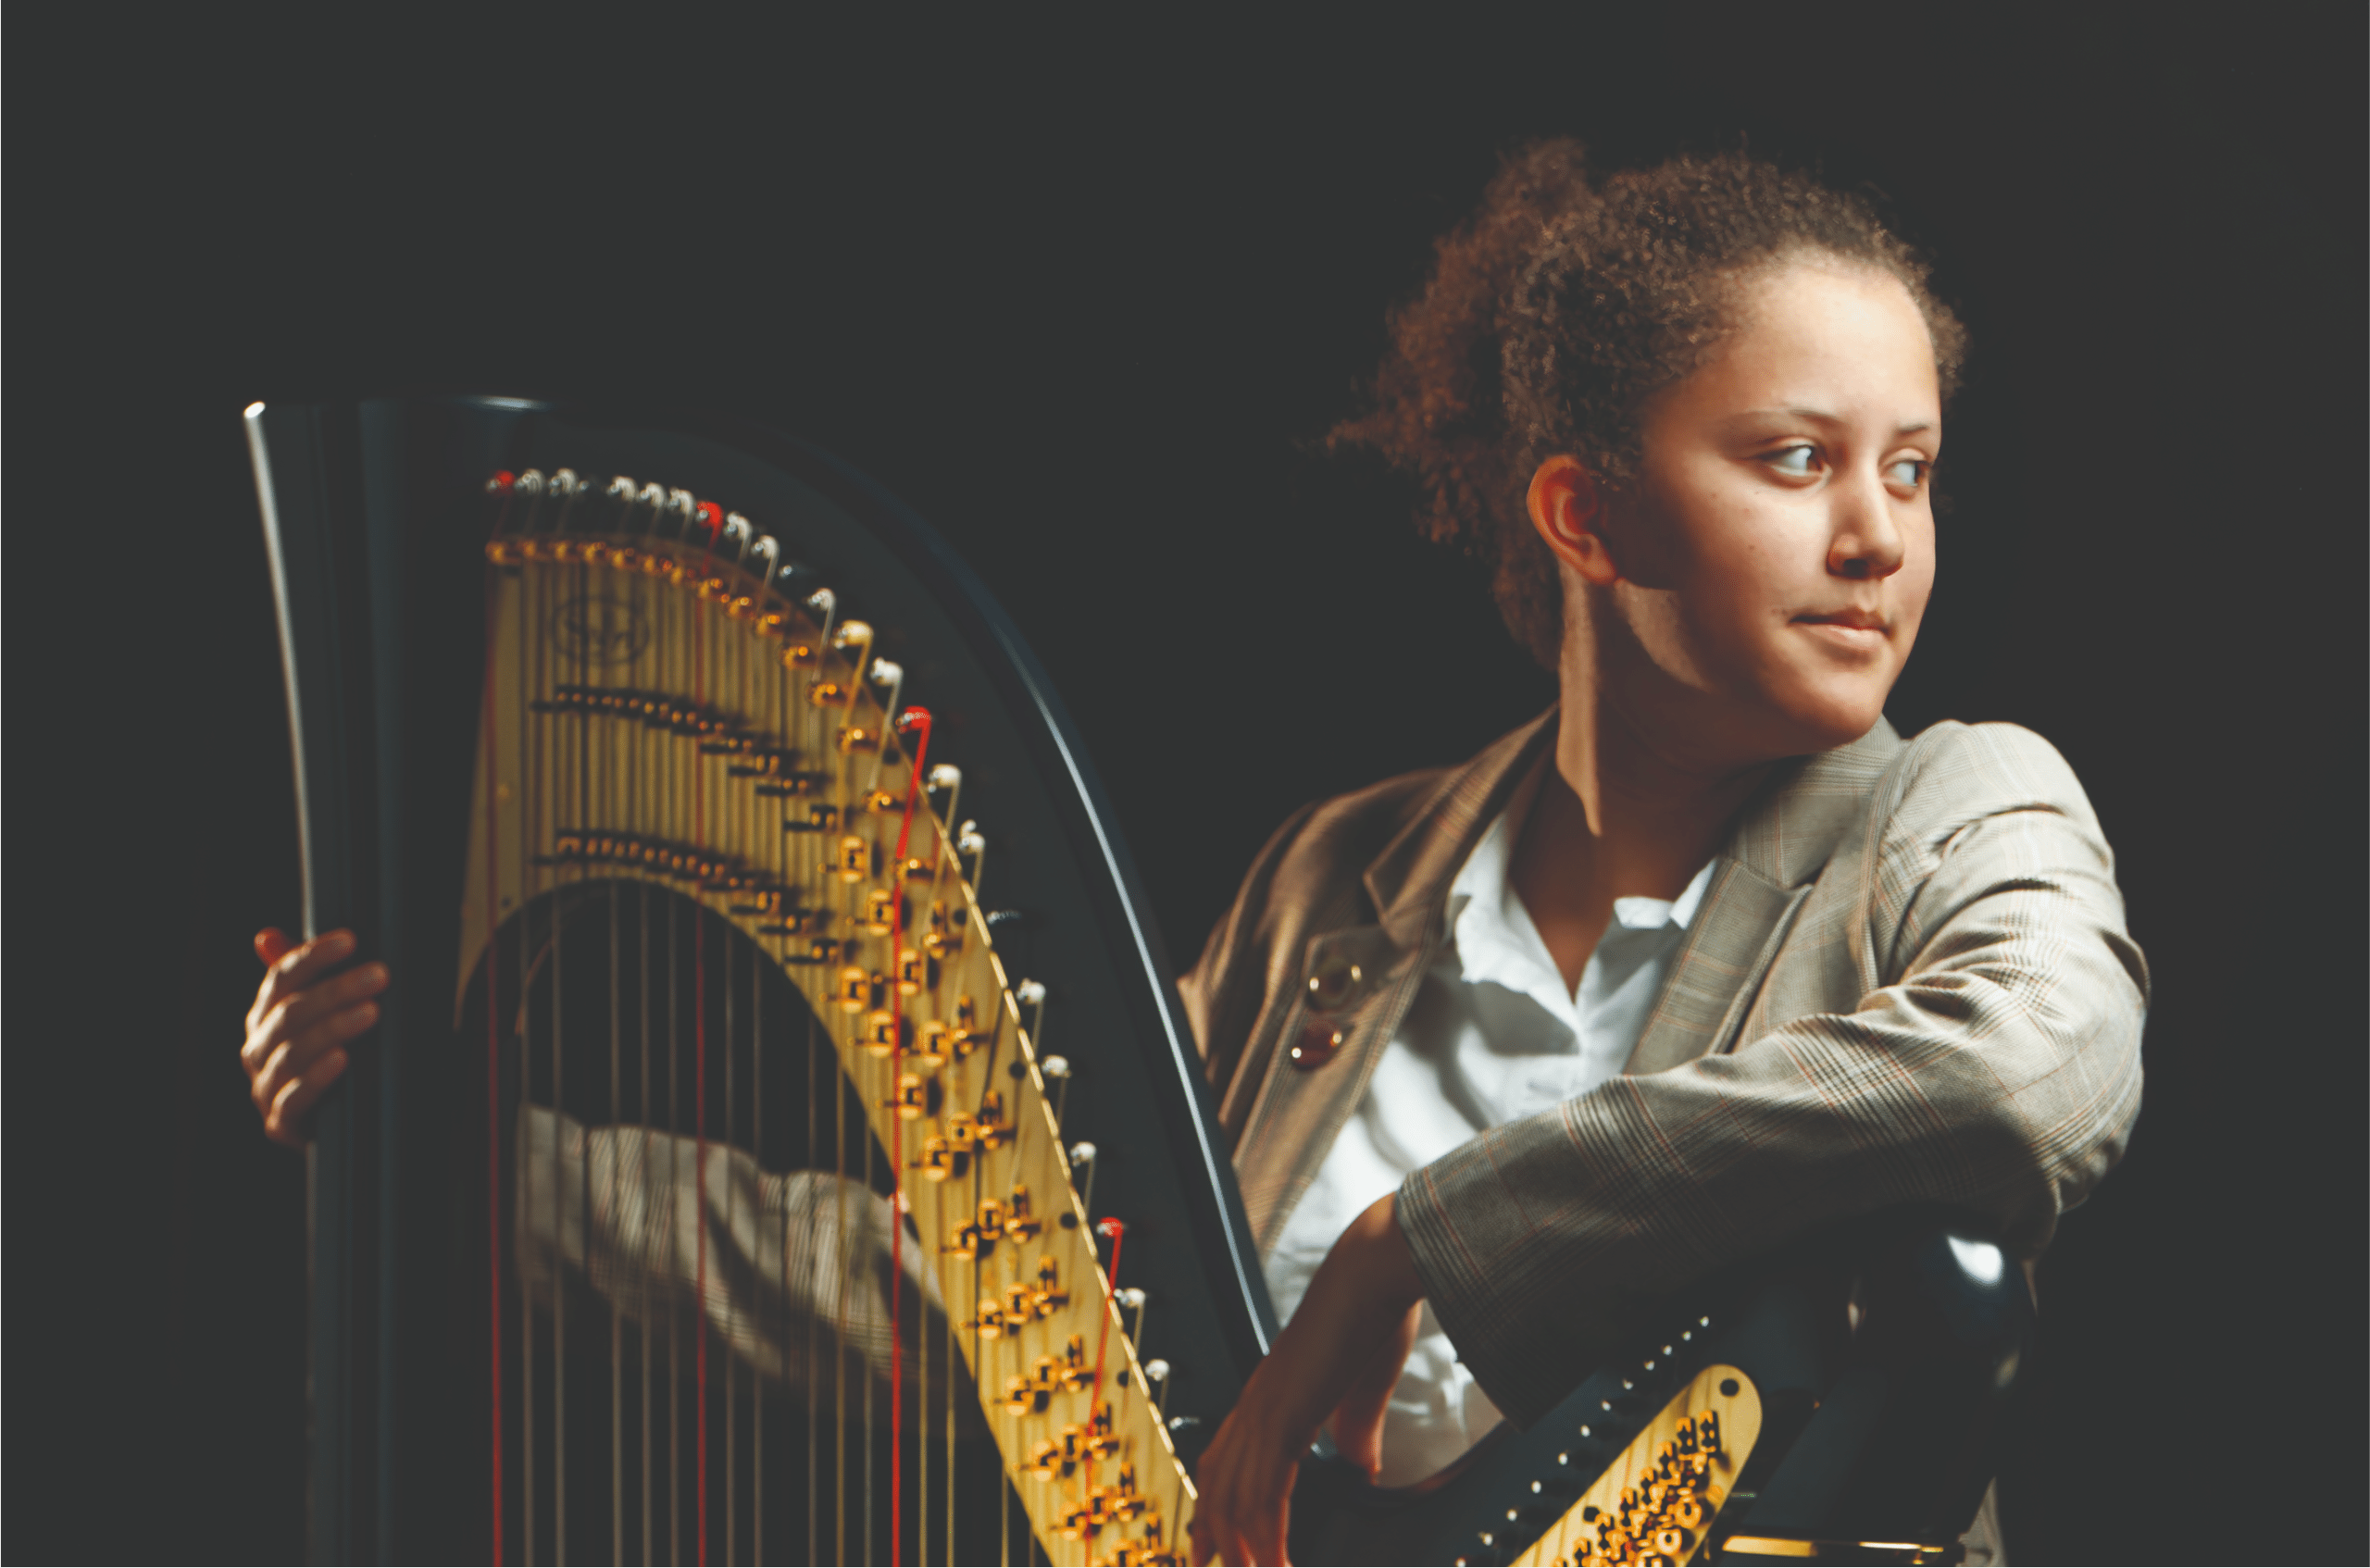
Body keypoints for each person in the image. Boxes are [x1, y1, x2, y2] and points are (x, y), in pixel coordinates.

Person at [243, 143, 2147, 1567]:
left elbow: (2026, 1070)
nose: (1877, 537)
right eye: (1796, 458)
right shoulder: (1340, 884)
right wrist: (461, 1154)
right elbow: (999, 1293)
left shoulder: (1955, 811)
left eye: (1910, 466)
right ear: (1589, 515)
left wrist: (1426, 1237)